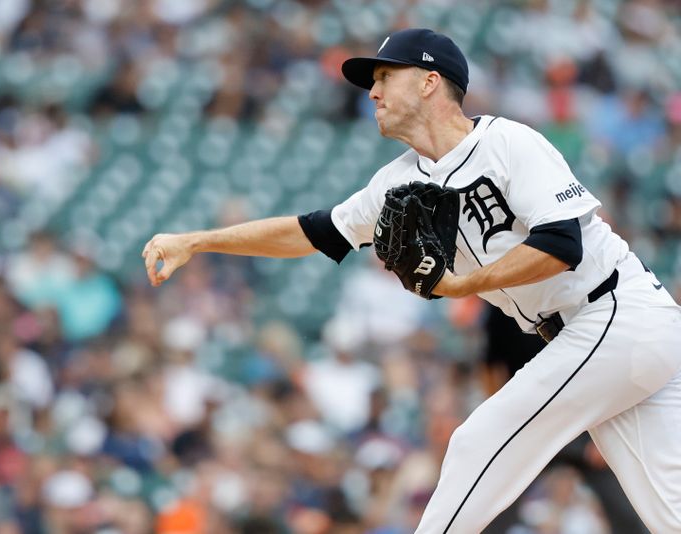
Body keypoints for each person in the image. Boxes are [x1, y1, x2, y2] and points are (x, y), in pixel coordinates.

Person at [143, 28, 681, 532]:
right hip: (606, 338)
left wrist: (460, 286)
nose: (372, 92)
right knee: (669, 510)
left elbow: (563, 244)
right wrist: (199, 240)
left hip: (614, 311)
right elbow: (308, 232)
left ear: (429, 82)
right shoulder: (395, 184)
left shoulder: (508, 142)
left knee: (478, 440)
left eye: (384, 77)